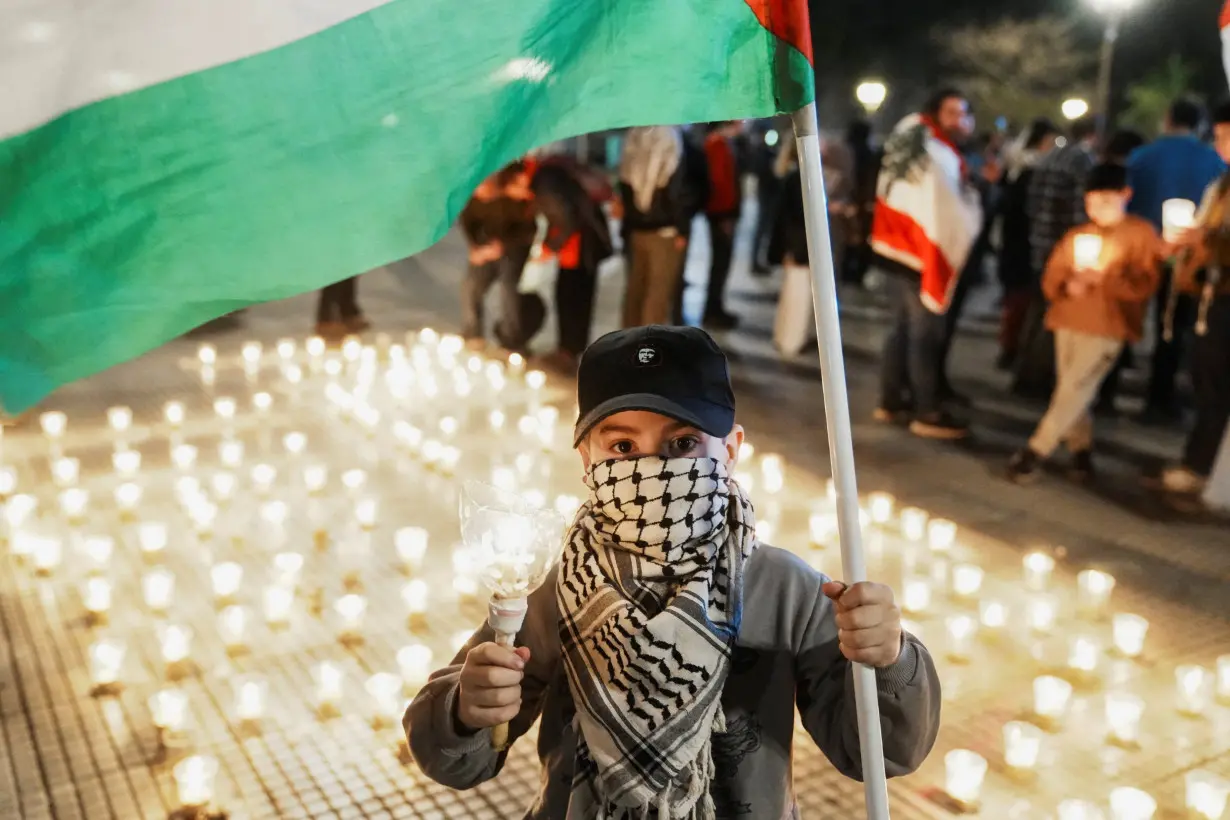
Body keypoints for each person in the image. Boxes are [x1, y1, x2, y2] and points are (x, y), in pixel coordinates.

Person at [405, 325, 942, 819]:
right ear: (587, 462)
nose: (653, 468)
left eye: (683, 444)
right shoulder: (554, 588)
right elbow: (456, 759)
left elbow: (879, 752)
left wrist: (889, 658)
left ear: (730, 451)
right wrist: (465, 711)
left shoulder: (786, 589)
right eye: (623, 447)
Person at [1007, 164, 1163, 484]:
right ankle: (1081, 451)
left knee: (1075, 388)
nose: (1098, 210)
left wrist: (1106, 279)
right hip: (1068, 319)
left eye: (1106, 201)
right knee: (1071, 390)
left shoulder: (1140, 234)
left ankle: (1036, 450)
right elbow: (1053, 275)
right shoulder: (1078, 235)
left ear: (1125, 195)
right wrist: (1068, 286)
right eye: (1092, 203)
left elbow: (1144, 285)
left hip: (1108, 324)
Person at [870, 88, 982, 440]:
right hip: (917, 255)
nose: (959, 121)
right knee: (924, 334)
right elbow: (942, 209)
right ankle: (926, 409)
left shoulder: (914, 139)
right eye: (953, 113)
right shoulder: (933, 150)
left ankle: (891, 400)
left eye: (963, 113)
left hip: (897, 248)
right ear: (936, 112)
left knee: (902, 329)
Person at [1126, 98, 1227, 424]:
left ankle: (1103, 392)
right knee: (1175, 328)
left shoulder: (1142, 157)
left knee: (1124, 317)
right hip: (1189, 262)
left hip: (1142, 252)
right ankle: (1162, 396)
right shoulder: (1214, 163)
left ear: (1167, 119)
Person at [1158, 100, 1230, 497]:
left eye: (1224, 135)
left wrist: (1207, 239)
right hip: (1211, 295)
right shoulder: (1220, 185)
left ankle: (1202, 467)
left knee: (1214, 384)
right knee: (1205, 380)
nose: (1219, 143)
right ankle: (1201, 461)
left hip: (1224, 298)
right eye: (1218, 134)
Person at [1014, 115, 1101, 399]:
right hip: (1062, 248)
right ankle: (1039, 379)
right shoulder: (1082, 162)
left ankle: (1023, 372)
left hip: (1039, 243)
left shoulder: (1049, 157)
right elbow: (1080, 212)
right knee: (1053, 317)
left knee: (1036, 311)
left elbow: (1030, 203)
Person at [996, 118, 1061, 370]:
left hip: (1021, 242)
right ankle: (1011, 348)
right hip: (1021, 243)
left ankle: (1013, 348)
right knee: (1019, 301)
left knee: (1020, 301)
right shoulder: (1029, 170)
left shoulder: (1026, 168)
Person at [619, 127, 694, 328]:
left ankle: (628, 347)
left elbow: (624, 185)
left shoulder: (634, 137)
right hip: (665, 231)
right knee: (657, 295)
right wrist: (682, 228)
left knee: (635, 292)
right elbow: (676, 191)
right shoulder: (670, 139)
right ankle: (649, 352)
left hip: (637, 229)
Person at [459, 161, 538, 352]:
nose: (481, 197)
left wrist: (504, 245)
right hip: (486, 247)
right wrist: (475, 248)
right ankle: (473, 332)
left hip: (514, 248)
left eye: (486, 192)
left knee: (507, 286)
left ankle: (511, 338)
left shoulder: (515, 195)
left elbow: (529, 230)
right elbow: (468, 224)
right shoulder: (473, 199)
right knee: (470, 285)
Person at [703, 121, 746, 329]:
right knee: (720, 262)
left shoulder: (720, 144)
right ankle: (712, 310)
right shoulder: (717, 145)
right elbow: (720, 182)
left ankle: (716, 307)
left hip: (722, 213)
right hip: (721, 214)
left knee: (722, 263)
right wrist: (725, 215)